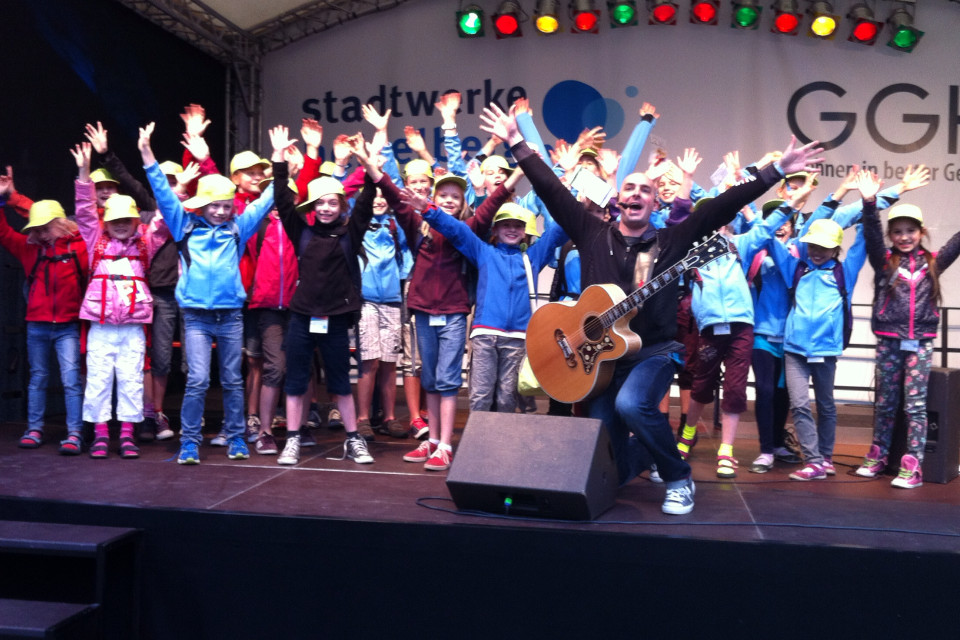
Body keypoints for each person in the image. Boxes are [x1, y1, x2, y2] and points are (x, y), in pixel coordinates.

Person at [479, 102, 824, 514]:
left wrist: (776, 171)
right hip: (600, 360)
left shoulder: (671, 242)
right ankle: (645, 455)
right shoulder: (591, 233)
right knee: (608, 459)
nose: (636, 194)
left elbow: (721, 206)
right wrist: (516, 142)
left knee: (631, 405)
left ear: (654, 202)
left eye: (645, 190)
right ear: (618, 199)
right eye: (630, 188)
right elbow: (552, 190)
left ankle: (678, 478)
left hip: (653, 353)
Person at [139, 121, 277, 465]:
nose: (220, 211)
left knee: (231, 380)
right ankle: (189, 442)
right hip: (197, 317)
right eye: (214, 205)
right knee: (198, 380)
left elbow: (267, 200)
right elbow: (163, 192)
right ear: (201, 205)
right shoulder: (183, 226)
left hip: (230, 315)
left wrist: (278, 159)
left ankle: (236, 437)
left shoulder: (238, 228)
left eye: (226, 205)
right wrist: (147, 154)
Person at [273, 133, 376, 466]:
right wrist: (278, 159)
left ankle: (353, 438)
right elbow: (282, 200)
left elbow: (367, 202)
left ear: (342, 206)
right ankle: (292, 438)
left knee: (341, 383)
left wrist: (367, 164)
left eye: (332, 203)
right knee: (296, 380)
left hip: (336, 319)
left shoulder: (350, 234)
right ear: (312, 207)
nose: (326, 208)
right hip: (302, 317)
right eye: (320, 203)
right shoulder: (302, 233)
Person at [854, 169, 959, 488]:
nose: (904, 236)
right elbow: (872, 236)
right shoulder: (884, 261)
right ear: (891, 235)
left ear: (921, 232)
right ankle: (878, 455)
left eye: (910, 230)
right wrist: (869, 203)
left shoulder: (933, 263)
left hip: (920, 343)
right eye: (897, 231)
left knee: (915, 406)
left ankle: (913, 464)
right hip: (889, 341)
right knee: (886, 403)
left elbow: (956, 243)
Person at [71, 141, 165, 459]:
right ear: (106, 222)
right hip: (100, 326)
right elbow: (85, 212)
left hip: (132, 327)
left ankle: (126, 434)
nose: (122, 224)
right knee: (98, 379)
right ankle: (100, 434)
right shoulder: (95, 241)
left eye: (127, 219)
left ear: (137, 221)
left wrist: (175, 190)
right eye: (116, 220)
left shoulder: (145, 242)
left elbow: (166, 218)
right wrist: (84, 172)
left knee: (130, 381)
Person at [769, 213, 866, 481]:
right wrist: (758, 216)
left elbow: (862, 245)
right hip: (795, 350)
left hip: (825, 351)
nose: (817, 251)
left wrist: (868, 209)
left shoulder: (844, 272)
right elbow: (769, 240)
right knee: (799, 405)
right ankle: (813, 461)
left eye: (824, 247)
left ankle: (825, 457)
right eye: (813, 245)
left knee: (826, 405)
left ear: (835, 249)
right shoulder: (797, 269)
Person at [0, 168, 87, 454]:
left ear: (61, 225)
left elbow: (86, 224)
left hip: (68, 326)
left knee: (71, 381)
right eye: (36, 229)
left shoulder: (79, 247)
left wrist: (17, 198)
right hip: (37, 325)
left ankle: (75, 433)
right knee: (37, 378)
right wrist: (2, 201)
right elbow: (3, 232)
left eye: (45, 228)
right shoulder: (29, 249)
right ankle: (34, 428)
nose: (40, 234)